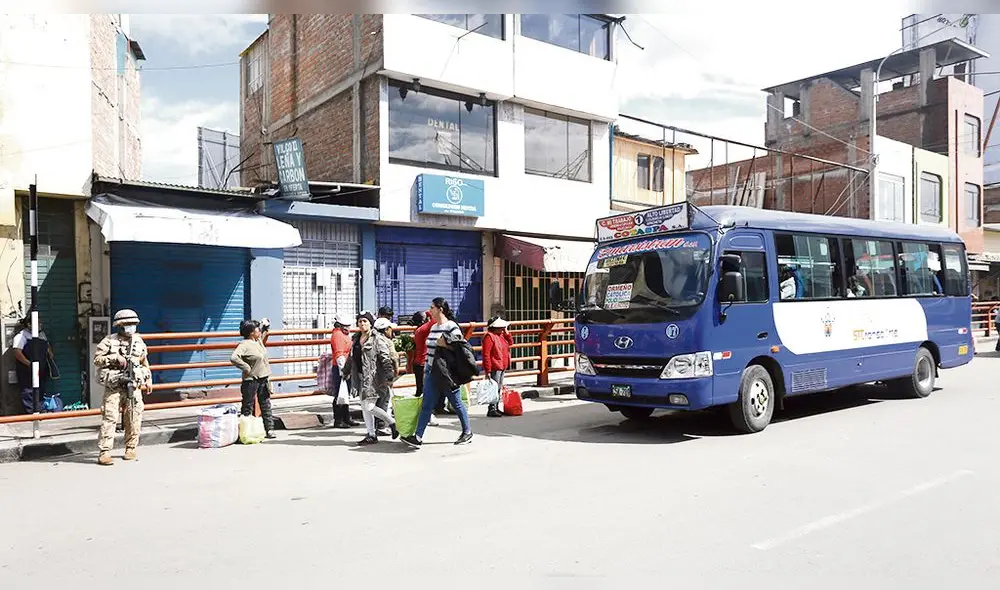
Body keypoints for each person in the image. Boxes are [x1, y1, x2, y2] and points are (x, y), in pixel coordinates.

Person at [401, 298, 474, 448]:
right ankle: (418, 437)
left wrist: (446, 345)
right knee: (427, 405)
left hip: (446, 372)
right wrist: (427, 370)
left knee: (456, 402)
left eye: (432, 307)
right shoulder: (434, 327)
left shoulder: (451, 326)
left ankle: (467, 432)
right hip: (431, 370)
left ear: (440, 309)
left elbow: (461, 348)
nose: (430, 310)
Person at [93, 309, 152, 466]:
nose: (131, 328)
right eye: (128, 324)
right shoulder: (108, 341)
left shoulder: (139, 342)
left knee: (134, 417)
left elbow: (144, 362)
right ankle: (104, 452)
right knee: (110, 418)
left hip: (133, 386)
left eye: (133, 324)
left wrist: (148, 379)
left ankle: (131, 447)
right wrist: (114, 358)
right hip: (114, 386)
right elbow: (97, 360)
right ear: (119, 326)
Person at [345, 311, 398, 445]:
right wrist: (346, 370)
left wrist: (389, 375)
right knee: (364, 406)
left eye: (365, 321)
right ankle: (371, 434)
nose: (362, 324)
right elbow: (352, 358)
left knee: (369, 406)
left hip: (374, 378)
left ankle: (392, 423)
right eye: (360, 321)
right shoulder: (356, 339)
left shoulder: (377, 339)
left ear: (371, 323)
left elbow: (385, 358)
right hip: (360, 377)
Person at [230, 318, 277, 440]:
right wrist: (246, 367)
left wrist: (265, 326)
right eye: (257, 329)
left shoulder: (258, 341)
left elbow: (264, 333)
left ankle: (270, 429)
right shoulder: (244, 344)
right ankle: (246, 432)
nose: (259, 331)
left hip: (263, 378)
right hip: (251, 380)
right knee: (248, 406)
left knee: (265, 404)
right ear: (251, 332)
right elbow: (234, 358)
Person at [12, 315, 54, 414]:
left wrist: (50, 353)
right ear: (29, 324)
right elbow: (17, 352)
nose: (40, 325)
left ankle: (41, 410)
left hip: (41, 369)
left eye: (40, 323)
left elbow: (47, 346)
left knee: (40, 390)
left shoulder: (41, 335)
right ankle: (32, 413)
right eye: (38, 323)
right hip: (27, 370)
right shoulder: (21, 336)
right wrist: (29, 364)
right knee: (28, 392)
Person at [329, 314, 358, 428]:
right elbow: (339, 354)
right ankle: (339, 420)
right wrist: (344, 371)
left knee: (345, 393)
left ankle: (346, 418)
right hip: (341, 367)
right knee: (340, 394)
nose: (348, 327)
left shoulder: (342, 334)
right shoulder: (338, 335)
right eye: (345, 326)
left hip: (346, 366)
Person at [482, 316, 513, 418]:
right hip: (495, 366)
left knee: (498, 387)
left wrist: (507, 333)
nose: (503, 328)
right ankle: (492, 409)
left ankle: (496, 407)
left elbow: (510, 343)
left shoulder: (501, 335)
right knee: (494, 388)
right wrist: (488, 369)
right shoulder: (489, 337)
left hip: (502, 365)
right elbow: (486, 354)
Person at [373, 317, 397, 436]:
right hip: (382, 375)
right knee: (384, 399)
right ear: (386, 329)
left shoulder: (371, 339)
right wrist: (392, 375)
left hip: (373, 375)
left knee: (376, 400)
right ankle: (381, 425)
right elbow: (391, 358)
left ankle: (374, 426)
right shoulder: (385, 341)